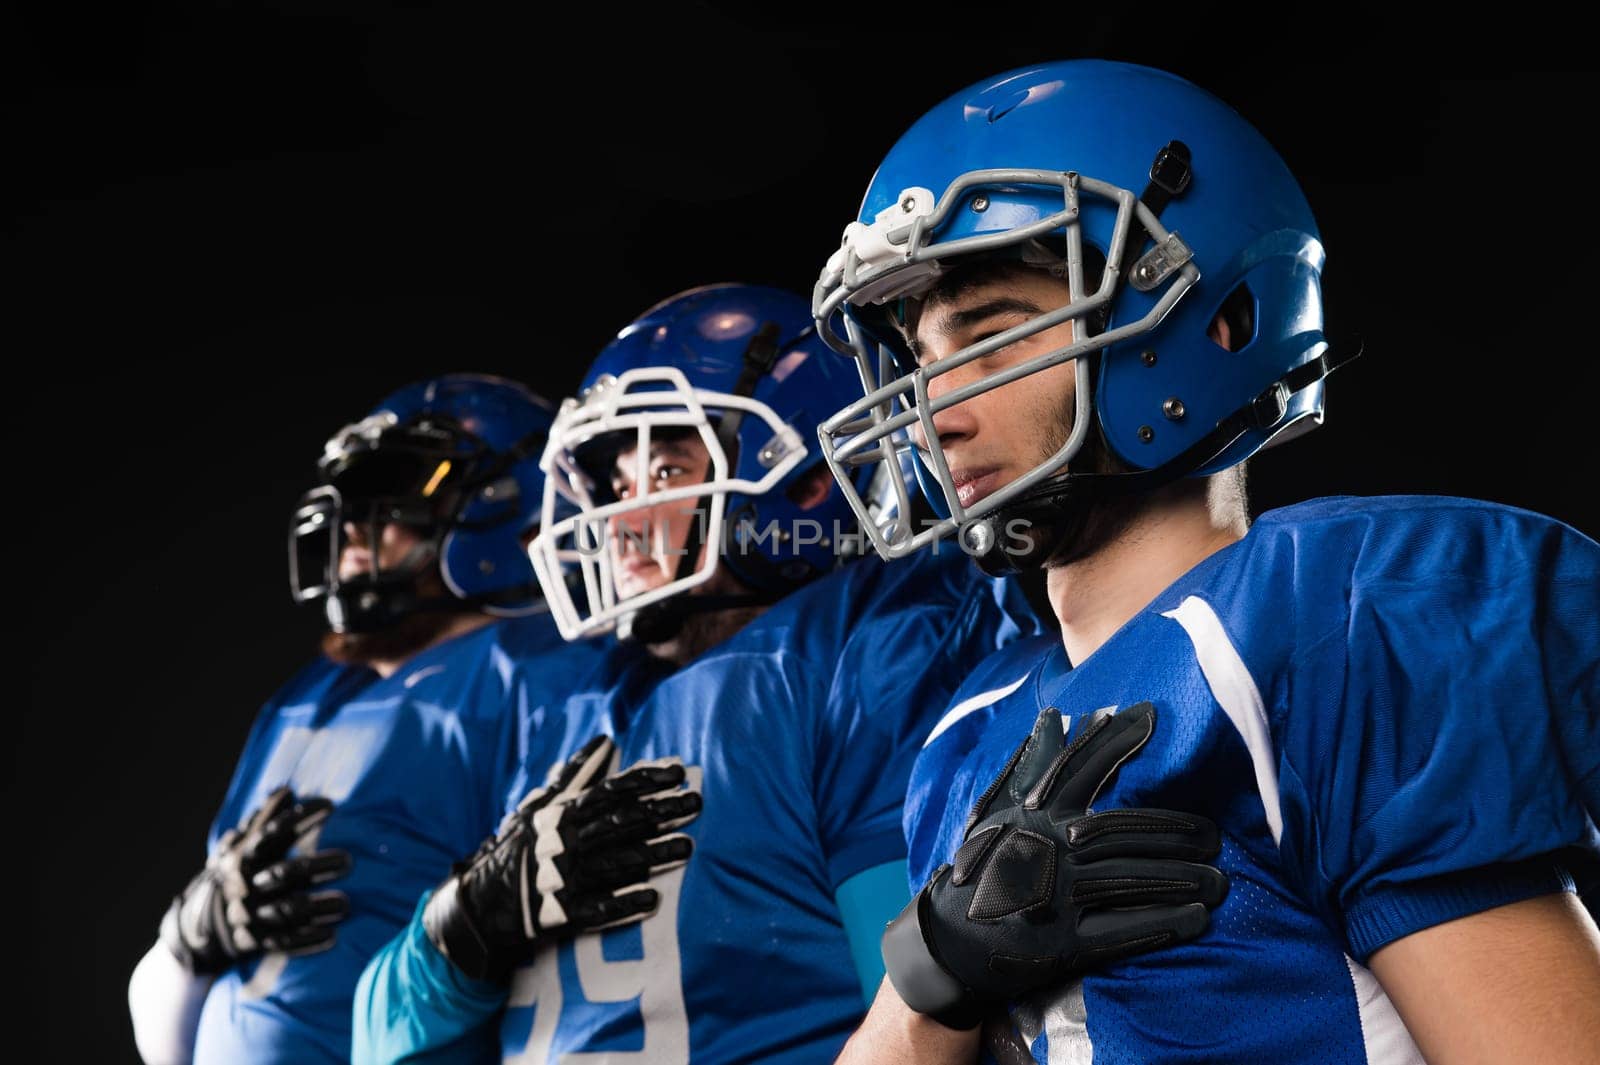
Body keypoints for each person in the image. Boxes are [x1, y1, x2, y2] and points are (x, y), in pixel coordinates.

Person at [810, 59, 1600, 1063]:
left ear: (1216, 323)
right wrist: (933, 969)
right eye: (920, 362)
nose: (937, 416)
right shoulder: (966, 739)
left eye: (993, 339)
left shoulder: (1328, 632)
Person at [353, 284, 1229, 1063]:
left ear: (803, 483)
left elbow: (944, 1010)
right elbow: (374, 1040)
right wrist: (464, 925)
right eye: (613, 476)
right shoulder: (558, 695)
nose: (617, 517)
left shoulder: (857, 652)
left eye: (663, 467)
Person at [127, 374, 619, 1064]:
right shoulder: (308, 697)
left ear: (512, 512)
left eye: (396, 494)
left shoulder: (534, 674)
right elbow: (162, 1001)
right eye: (351, 501)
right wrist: (187, 938)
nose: (354, 528)